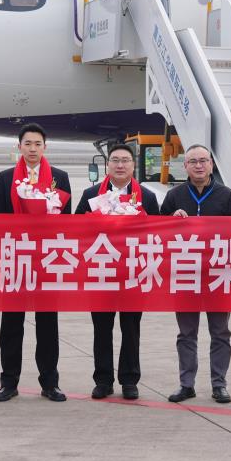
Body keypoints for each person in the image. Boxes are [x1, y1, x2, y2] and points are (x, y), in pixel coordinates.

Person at [0, 123, 70, 402]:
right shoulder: (5, 178)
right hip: (15, 259)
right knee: (11, 324)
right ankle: (8, 382)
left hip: (47, 260)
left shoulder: (60, 177)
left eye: (37, 144)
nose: (32, 149)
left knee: (48, 324)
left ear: (45, 147)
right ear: (19, 146)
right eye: (27, 144)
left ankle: (50, 383)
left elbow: (67, 222)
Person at [161, 144, 231, 403]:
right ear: (185, 166)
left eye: (203, 161)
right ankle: (186, 384)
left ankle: (219, 384)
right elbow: (158, 233)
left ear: (211, 164)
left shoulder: (227, 196)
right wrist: (171, 219)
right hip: (185, 274)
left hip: (217, 274)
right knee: (186, 333)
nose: (198, 165)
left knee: (220, 332)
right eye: (193, 161)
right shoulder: (174, 196)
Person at [76, 143, 159, 400]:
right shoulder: (91, 194)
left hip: (133, 272)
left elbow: (158, 233)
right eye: (115, 160)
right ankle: (103, 380)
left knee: (131, 328)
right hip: (101, 271)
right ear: (107, 165)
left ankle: (129, 380)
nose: (120, 165)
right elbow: (75, 228)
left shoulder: (147, 197)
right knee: (102, 328)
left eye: (125, 160)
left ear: (133, 165)